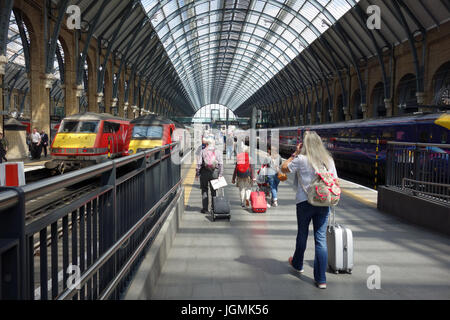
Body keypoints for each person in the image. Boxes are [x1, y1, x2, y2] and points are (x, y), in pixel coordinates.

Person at [281, 131, 338, 290]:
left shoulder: (301, 159)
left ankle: (298, 263)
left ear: (304, 145)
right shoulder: (329, 160)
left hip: (304, 202)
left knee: (302, 234)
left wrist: (295, 153)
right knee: (320, 240)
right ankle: (321, 279)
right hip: (323, 202)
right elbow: (335, 181)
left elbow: (284, 168)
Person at [196, 136, 224, 214]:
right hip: (214, 172)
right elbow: (221, 163)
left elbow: (199, 163)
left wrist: (197, 173)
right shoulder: (217, 151)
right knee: (214, 190)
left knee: (204, 189)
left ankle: (205, 208)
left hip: (204, 172)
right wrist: (220, 174)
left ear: (207, 144)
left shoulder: (203, 151)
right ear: (213, 143)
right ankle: (214, 208)